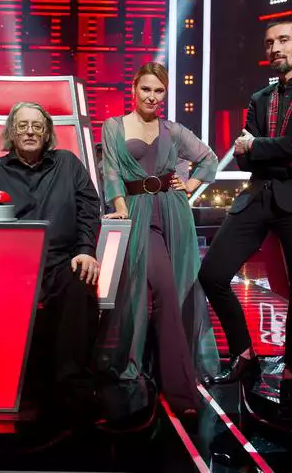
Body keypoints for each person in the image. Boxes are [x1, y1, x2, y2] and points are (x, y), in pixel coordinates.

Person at [198, 20, 292, 418]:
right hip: (257, 196)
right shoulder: (259, 98)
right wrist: (270, 150)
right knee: (211, 273)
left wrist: (260, 147)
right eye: (269, 43)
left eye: (284, 40)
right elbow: (244, 158)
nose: (275, 48)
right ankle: (244, 354)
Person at [0, 102, 101, 416]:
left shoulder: (68, 164)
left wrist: (85, 250)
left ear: (47, 133)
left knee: (81, 280)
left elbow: (89, 210)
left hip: (58, 263)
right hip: (5, 269)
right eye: (22, 125)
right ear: (12, 131)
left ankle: (71, 388)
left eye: (37, 126)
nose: (30, 132)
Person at [98, 62, 219, 417]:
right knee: (148, 293)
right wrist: (120, 209)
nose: (152, 96)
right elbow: (111, 172)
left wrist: (190, 185)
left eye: (159, 91)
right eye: (146, 89)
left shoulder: (172, 130)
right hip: (137, 215)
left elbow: (208, 158)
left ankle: (171, 377)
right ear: (134, 88)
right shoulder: (114, 126)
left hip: (173, 213)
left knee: (176, 292)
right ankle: (161, 379)